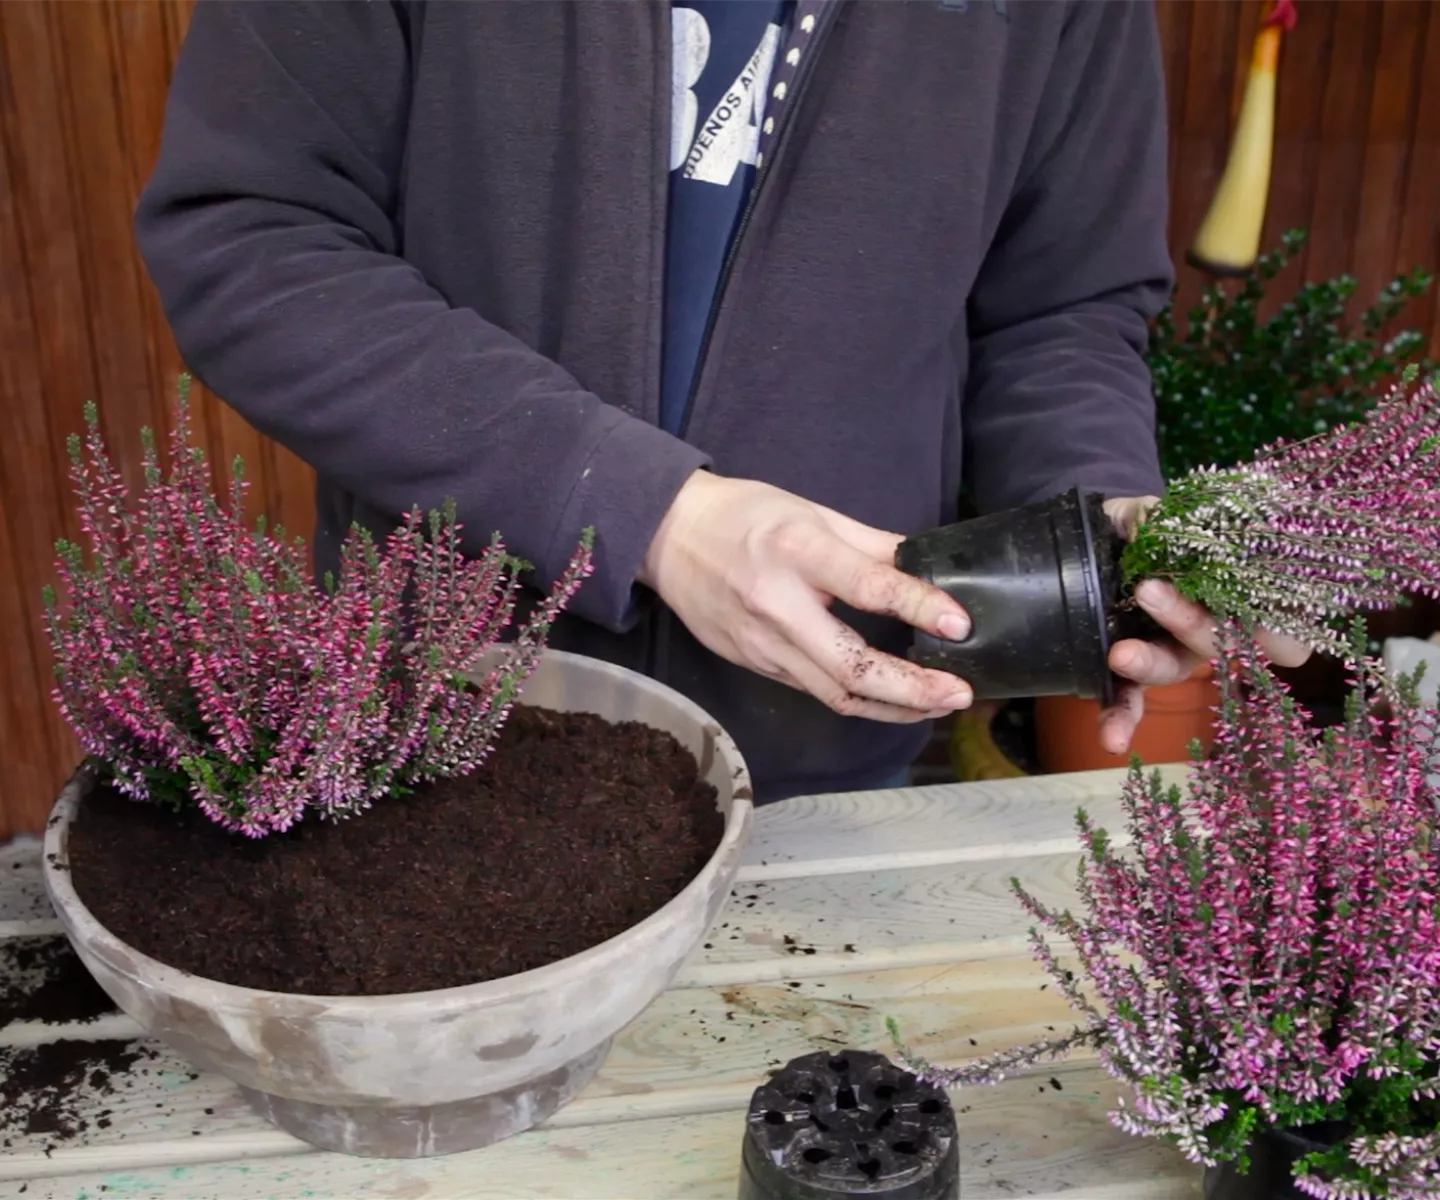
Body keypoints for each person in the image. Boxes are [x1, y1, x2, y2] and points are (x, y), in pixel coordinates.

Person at [134, 0, 1308, 805]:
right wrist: (649, 513)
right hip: (451, 714)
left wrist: (1094, 541)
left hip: (826, 733)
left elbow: (1059, 310)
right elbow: (252, 238)